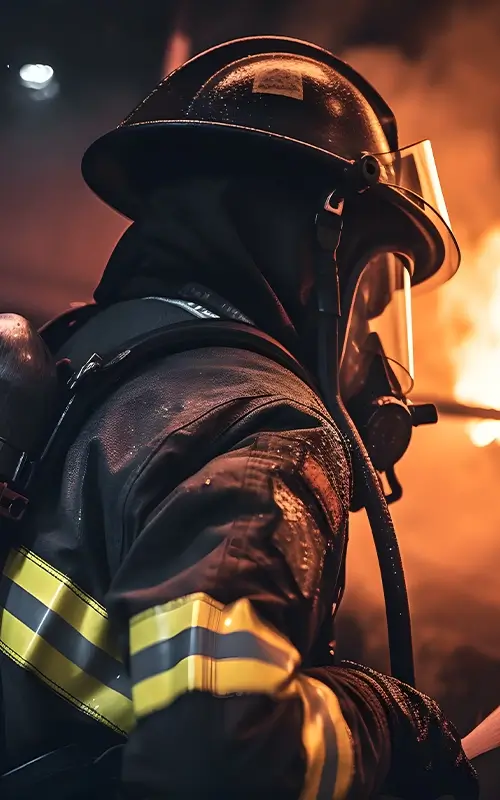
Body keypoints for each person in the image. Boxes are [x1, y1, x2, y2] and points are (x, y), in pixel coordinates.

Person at [0, 35, 478, 800]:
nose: (375, 336)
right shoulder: (263, 426)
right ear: (316, 248)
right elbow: (220, 760)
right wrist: (388, 720)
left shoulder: (84, 360)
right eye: (378, 286)